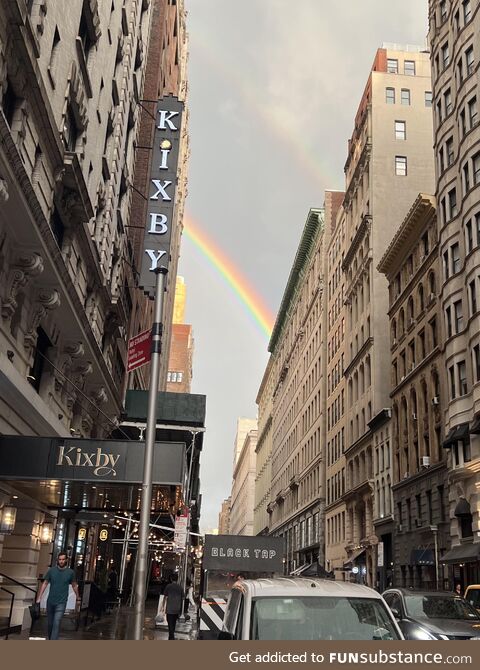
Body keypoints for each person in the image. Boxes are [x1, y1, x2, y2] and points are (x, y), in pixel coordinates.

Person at [36, 552, 80, 640]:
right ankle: (51, 638)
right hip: (51, 601)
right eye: (60, 559)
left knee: (57, 622)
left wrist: (78, 597)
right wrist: (39, 597)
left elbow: (74, 585)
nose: (61, 561)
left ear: (66, 560)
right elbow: (45, 583)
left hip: (62, 602)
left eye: (63, 559)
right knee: (50, 624)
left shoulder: (70, 572)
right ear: (57, 560)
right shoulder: (51, 571)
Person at [162, 573, 184, 640]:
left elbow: (165, 597)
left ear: (171, 579)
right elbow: (183, 598)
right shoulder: (180, 587)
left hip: (169, 608)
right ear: (177, 579)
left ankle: (171, 636)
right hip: (177, 608)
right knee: (174, 623)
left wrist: (163, 606)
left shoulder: (168, 586)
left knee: (170, 622)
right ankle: (171, 635)